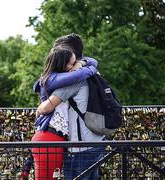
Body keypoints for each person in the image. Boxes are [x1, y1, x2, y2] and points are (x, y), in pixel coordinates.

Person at [36, 34, 105, 180]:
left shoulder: (72, 80)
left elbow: (47, 107)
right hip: (99, 140)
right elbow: (93, 61)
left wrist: (40, 108)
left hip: (80, 146)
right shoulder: (95, 73)